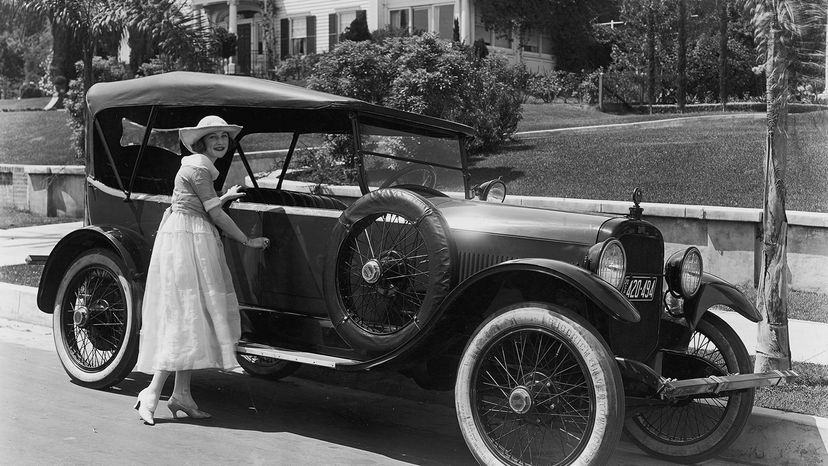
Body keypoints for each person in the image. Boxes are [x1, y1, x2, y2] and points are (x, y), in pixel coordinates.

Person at [132, 115, 270, 425]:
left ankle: (181, 394)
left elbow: (197, 204)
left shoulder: (198, 168)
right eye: (213, 137)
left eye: (224, 135)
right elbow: (216, 216)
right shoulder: (198, 168)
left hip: (187, 236)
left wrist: (223, 196)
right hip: (188, 242)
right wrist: (247, 240)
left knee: (191, 316)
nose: (221, 141)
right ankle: (152, 392)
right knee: (186, 315)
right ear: (201, 142)